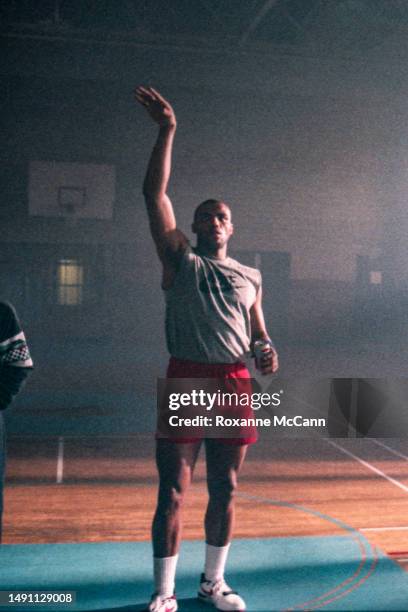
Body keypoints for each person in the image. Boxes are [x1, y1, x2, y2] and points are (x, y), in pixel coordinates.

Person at [135, 86, 278, 612]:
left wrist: (266, 351)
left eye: (221, 216)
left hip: (234, 381)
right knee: (173, 490)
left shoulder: (251, 276)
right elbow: (153, 196)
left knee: (227, 488)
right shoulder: (180, 259)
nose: (214, 221)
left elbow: (260, 334)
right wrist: (166, 130)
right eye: (205, 215)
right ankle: (164, 592)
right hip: (188, 377)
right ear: (193, 227)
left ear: (231, 226)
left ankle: (212, 583)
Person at [0, 302, 33, 542]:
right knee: (172, 487)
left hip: (176, 379)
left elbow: (19, 366)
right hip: (175, 375)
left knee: (173, 486)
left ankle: (165, 581)